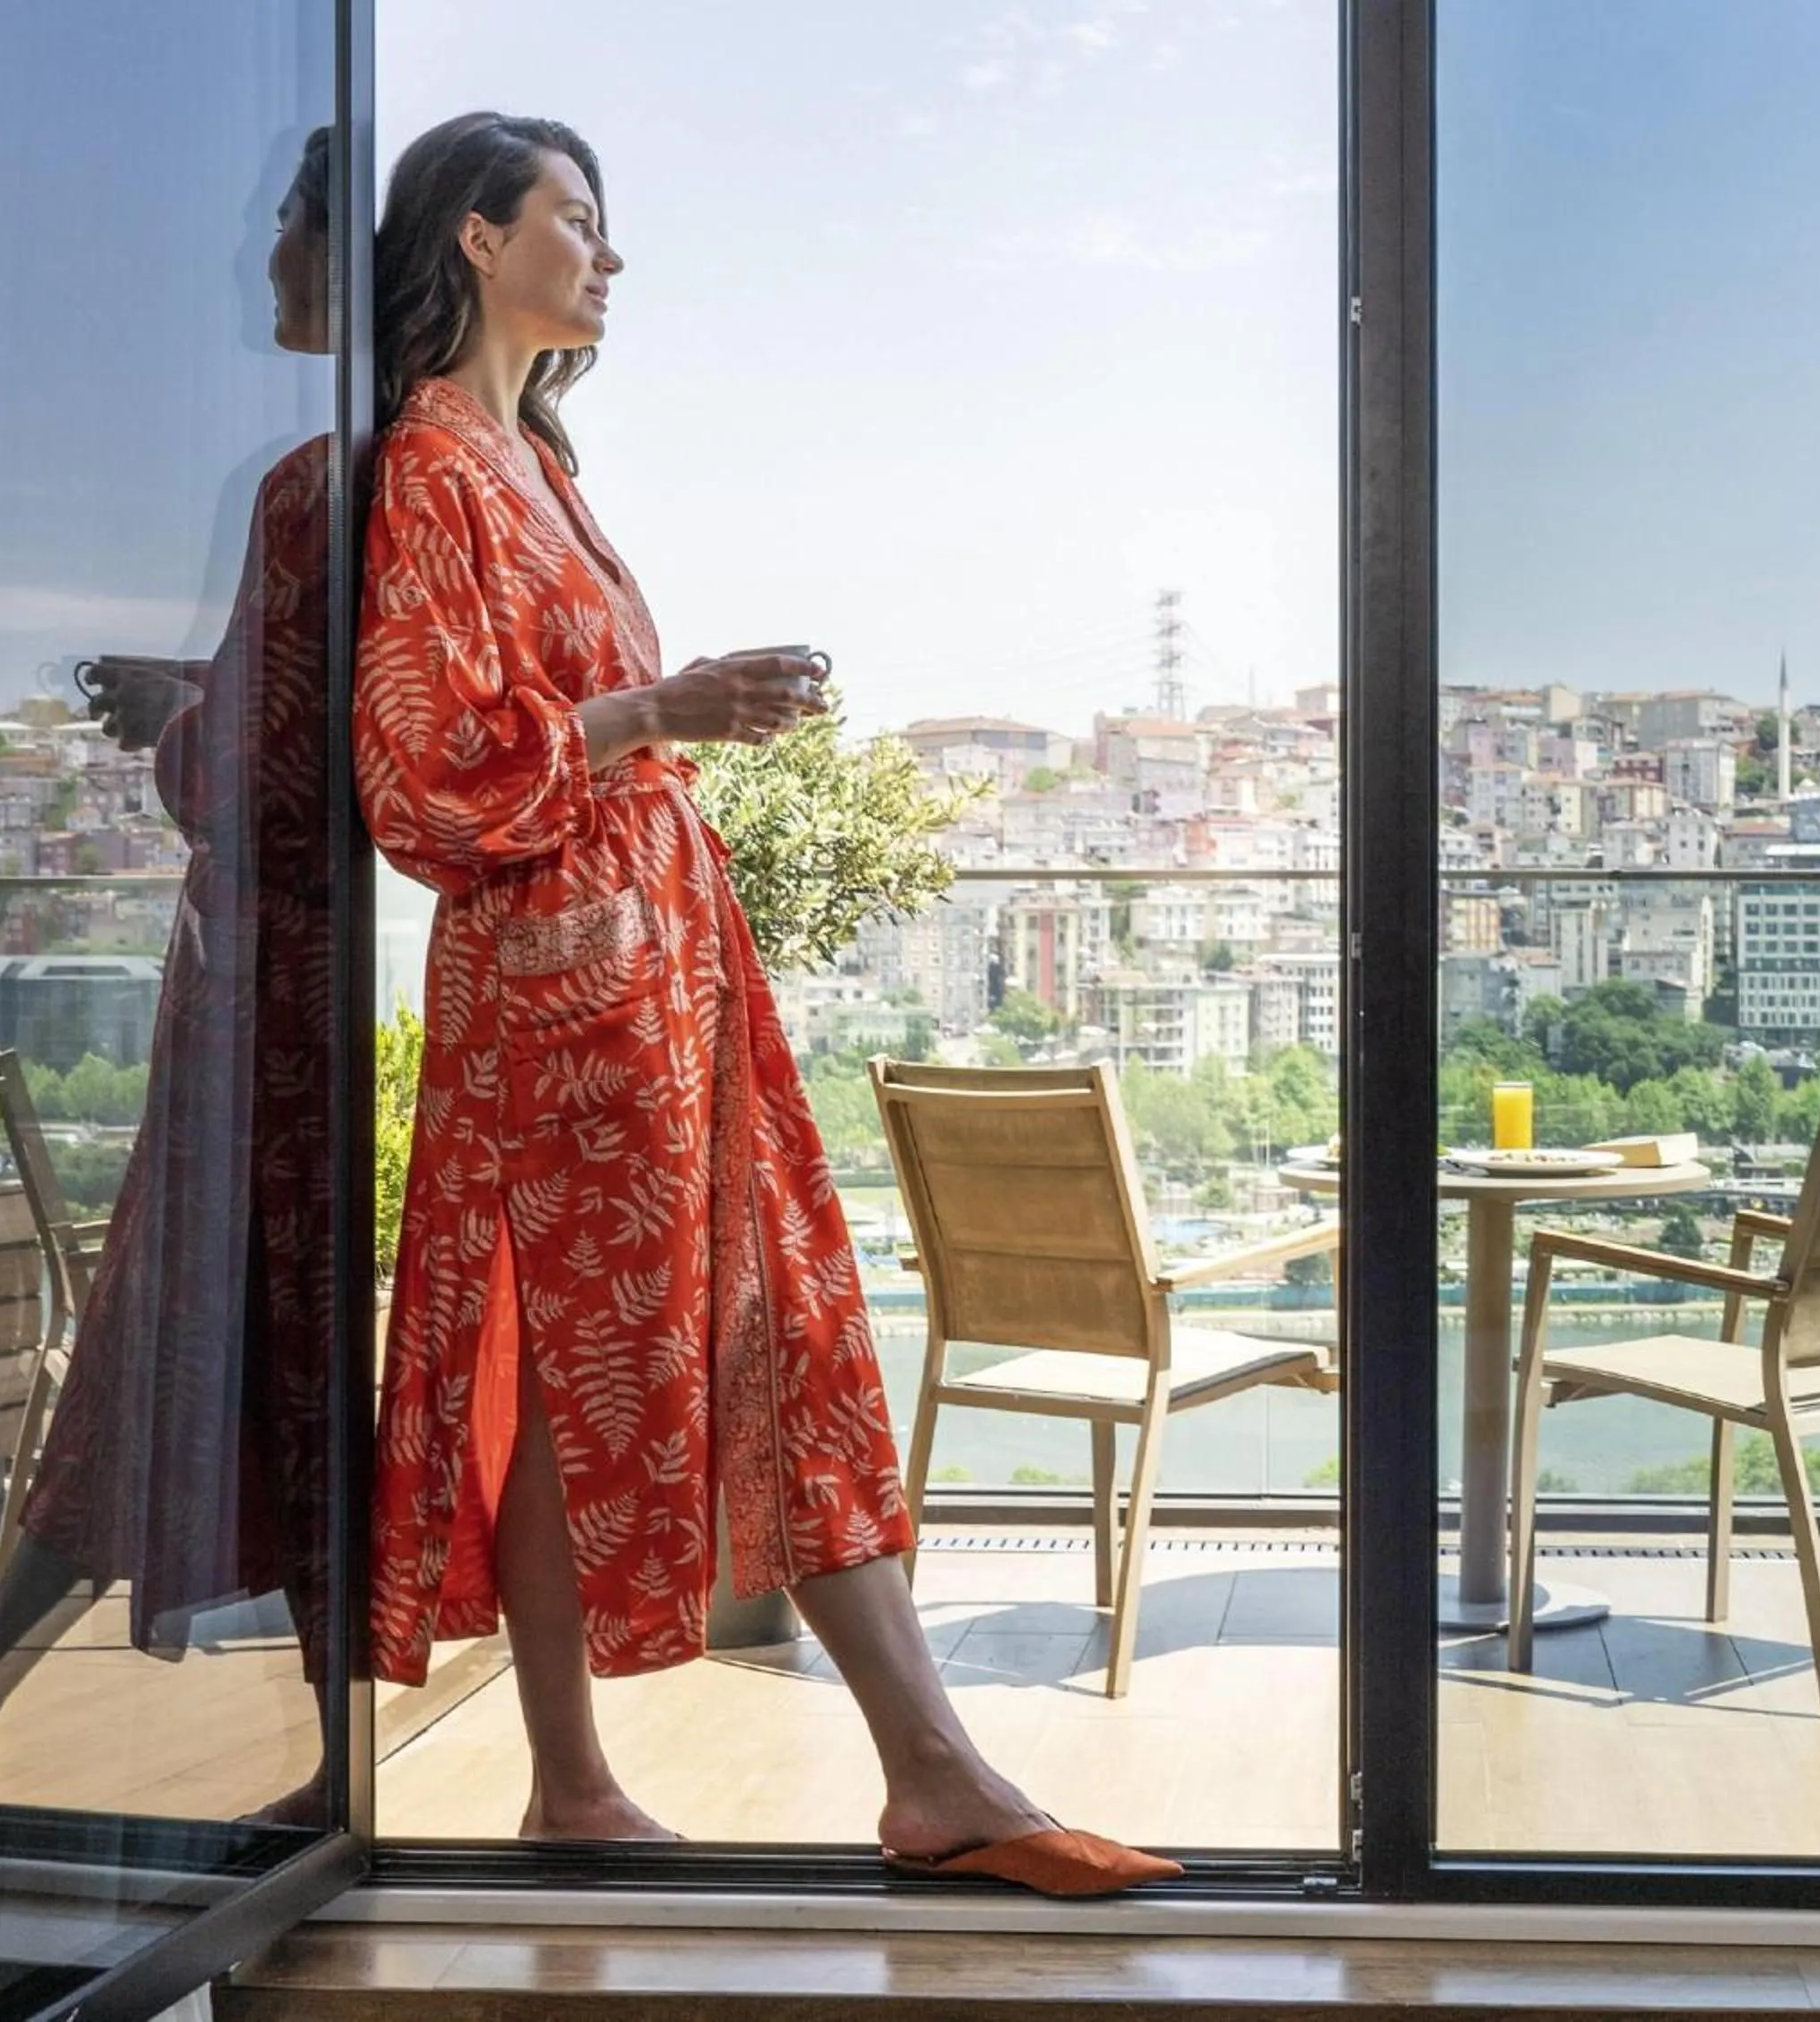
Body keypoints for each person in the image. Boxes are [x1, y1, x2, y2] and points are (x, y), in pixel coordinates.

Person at [357, 112, 1174, 1897]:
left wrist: (671, 719)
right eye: (579, 218)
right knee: (647, 1357)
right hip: (563, 996)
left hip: (654, 979)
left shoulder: (534, 463)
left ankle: (833, 1770)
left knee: (743, 1333)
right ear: (481, 240)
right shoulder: (433, 468)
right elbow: (416, 777)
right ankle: (872, 1772)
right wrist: (660, 711)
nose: (612, 252)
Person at [0, 129, 340, 1831]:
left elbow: (261, 775)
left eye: (288, 224)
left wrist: (182, 722)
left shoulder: (325, 485)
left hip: (260, 1012)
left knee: (199, 1353)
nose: (263, 261)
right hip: (277, 1007)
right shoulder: (397, 477)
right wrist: (198, 690)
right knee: (237, 1361)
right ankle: (317, 1777)